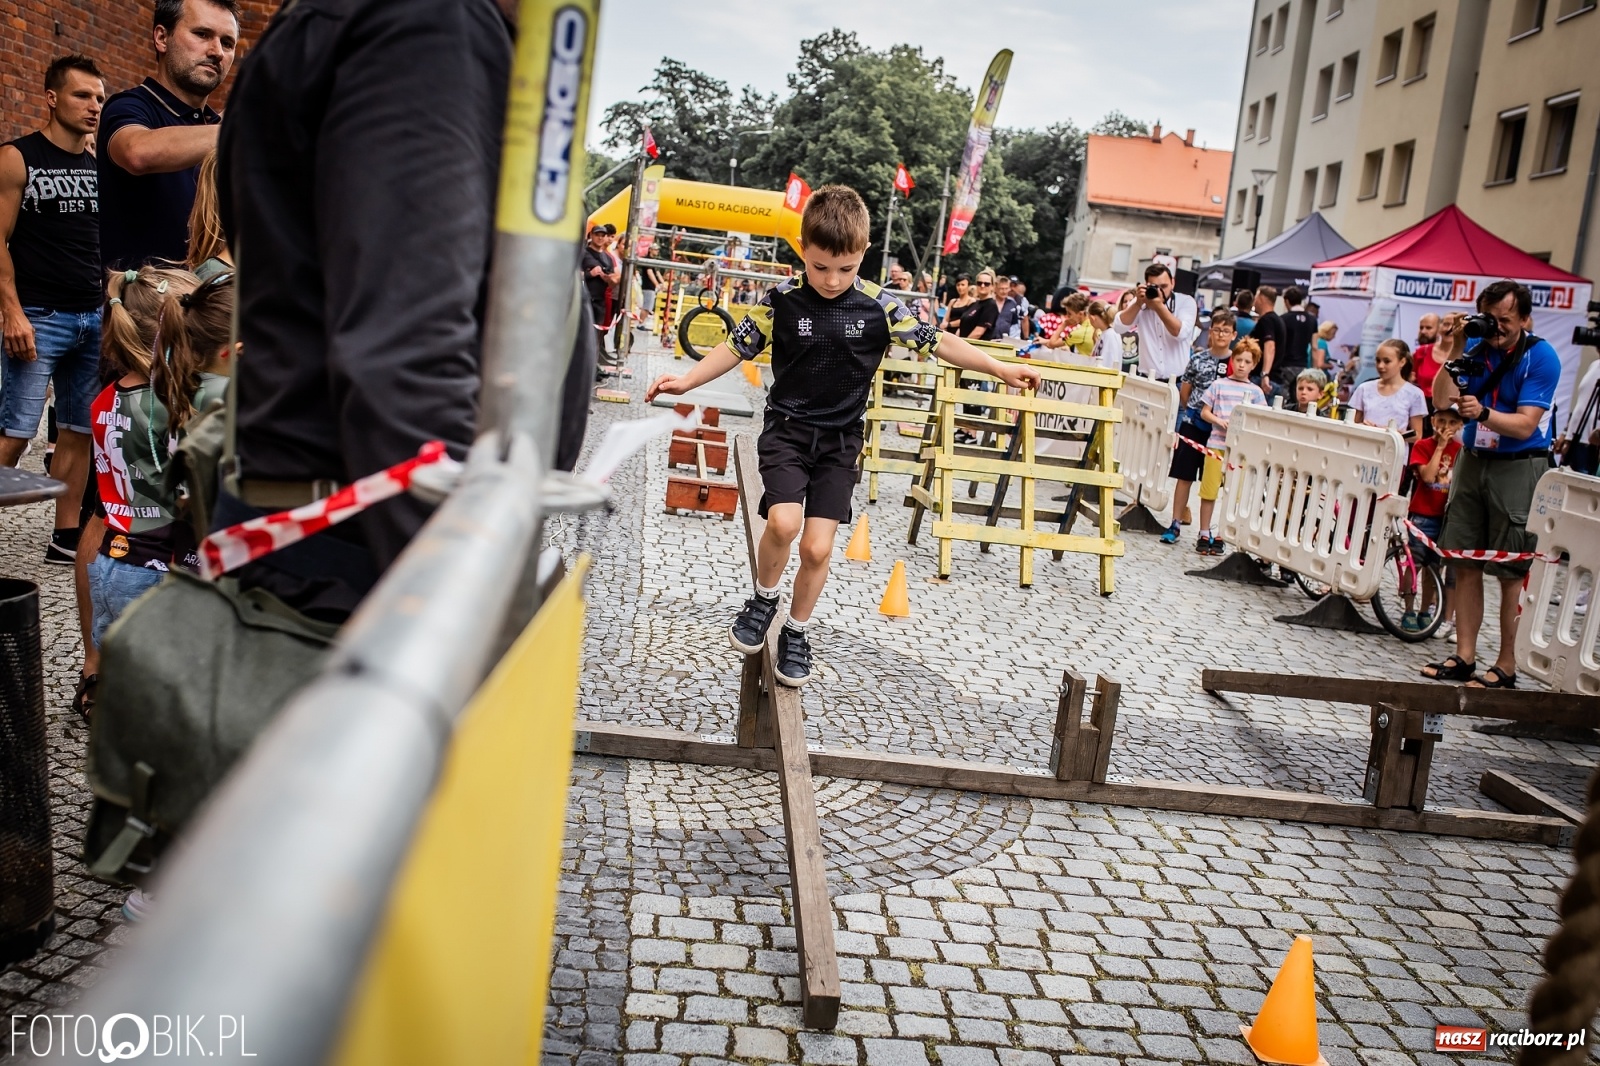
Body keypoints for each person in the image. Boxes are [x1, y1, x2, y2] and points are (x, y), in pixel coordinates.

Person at [643, 186, 1041, 686]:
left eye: (845, 269)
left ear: (863, 255)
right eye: (819, 266)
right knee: (784, 525)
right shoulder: (782, 301)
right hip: (788, 432)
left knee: (815, 548)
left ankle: (798, 630)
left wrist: (1001, 369)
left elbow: (941, 344)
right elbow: (734, 347)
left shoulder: (880, 307)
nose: (831, 280)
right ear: (803, 252)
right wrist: (686, 380)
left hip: (840, 443)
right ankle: (764, 598)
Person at [216, 0, 517, 621]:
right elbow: (405, 362)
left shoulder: (394, 23)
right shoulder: (429, 27)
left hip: (337, 546)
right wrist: (459, 608)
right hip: (356, 568)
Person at [1424, 282, 1563, 688]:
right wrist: (1456, 346)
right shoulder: (1477, 349)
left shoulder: (1541, 356)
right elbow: (1441, 401)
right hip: (1473, 462)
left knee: (1511, 569)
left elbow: (1524, 424)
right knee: (1464, 560)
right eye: (1492, 320)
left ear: (1525, 318)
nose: (1498, 329)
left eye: (1506, 321)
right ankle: (1464, 656)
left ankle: (1506, 664)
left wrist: (1483, 412)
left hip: (1519, 466)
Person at [0, 54, 107, 565]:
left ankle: (65, 537)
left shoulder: (97, 164)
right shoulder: (17, 158)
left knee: (78, 429)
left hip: (93, 315)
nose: (94, 107)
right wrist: (12, 313)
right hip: (39, 317)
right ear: (51, 97)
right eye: (82, 95)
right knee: (15, 433)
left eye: (100, 98)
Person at [98, 0, 238, 272]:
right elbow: (136, 152)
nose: (217, 51)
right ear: (162, 38)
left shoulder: (217, 125)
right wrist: (241, 131)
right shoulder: (130, 106)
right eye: (202, 34)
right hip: (143, 309)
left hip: (213, 305)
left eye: (228, 43)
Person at [1162, 310, 1235, 545]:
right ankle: (1175, 521)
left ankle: (1208, 530)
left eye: (1226, 330)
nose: (1221, 334)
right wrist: (1193, 410)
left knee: (1213, 480)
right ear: (1210, 332)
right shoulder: (1198, 359)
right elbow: (1186, 391)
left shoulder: (1237, 362)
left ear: (1233, 334)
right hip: (1195, 422)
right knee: (1184, 475)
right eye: (1216, 329)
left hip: (1221, 430)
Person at [1194, 337, 1266, 554]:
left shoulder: (1255, 392)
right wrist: (1218, 420)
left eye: (1247, 361)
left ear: (1254, 365)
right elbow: (1204, 411)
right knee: (1209, 491)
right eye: (1239, 360)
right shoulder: (1219, 385)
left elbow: (1261, 418)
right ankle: (1204, 531)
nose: (1242, 365)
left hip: (1239, 453)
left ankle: (1221, 533)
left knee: (1232, 494)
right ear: (1232, 360)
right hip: (1216, 445)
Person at [1403, 404, 1463, 634]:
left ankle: (1425, 610)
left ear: (1459, 426)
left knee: (1434, 568)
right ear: (1433, 421)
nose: (1445, 427)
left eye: (1451, 422)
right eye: (1441, 421)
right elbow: (1428, 477)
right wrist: (1439, 448)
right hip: (1422, 515)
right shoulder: (1423, 446)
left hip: (1444, 518)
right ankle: (1408, 609)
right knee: (1414, 563)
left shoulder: (1460, 451)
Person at [1111, 262, 1197, 381]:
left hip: (1177, 381)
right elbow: (1118, 327)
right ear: (1146, 285)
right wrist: (1137, 304)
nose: (1160, 291)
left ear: (1173, 283)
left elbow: (1180, 333)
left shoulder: (1186, 302)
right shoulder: (1140, 301)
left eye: (1164, 286)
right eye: (1155, 287)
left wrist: (1158, 306)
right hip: (1147, 380)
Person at [1350, 339, 1426, 440]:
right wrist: (1363, 427)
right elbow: (1351, 426)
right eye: (1378, 360)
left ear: (1402, 362)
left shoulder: (1414, 394)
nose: (1381, 366)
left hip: (1394, 453)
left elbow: (1417, 435)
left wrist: (1394, 434)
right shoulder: (1364, 389)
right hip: (1366, 450)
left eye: (1387, 361)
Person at [1266, 284, 1316, 401]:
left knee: (1282, 399)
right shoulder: (1312, 320)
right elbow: (1314, 346)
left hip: (1285, 365)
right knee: (1299, 398)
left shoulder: (1283, 319)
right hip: (1302, 365)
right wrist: (1314, 368)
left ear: (1286, 301)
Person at [1249, 286, 1282, 387]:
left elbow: (1270, 346)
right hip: (1273, 377)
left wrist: (1264, 374)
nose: (1254, 301)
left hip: (1263, 379)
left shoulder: (1267, 320)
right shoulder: (1278, 320)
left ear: (1261, 299)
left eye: (1256, 297)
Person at [1411, 312, 1443, 410]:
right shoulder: (1419, 353)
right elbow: (1411, 378)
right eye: (1421, 327)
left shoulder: (1453, 353)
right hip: (1421, 406)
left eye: (1428, 328)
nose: (1423, 331)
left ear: (1439, 330)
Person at [954, 271, 999, 339]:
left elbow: (978, 333)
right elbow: (961, 325)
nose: (982, 286)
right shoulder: (974, 303)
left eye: (986, 284)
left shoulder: (990, 305)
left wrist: (963, 345)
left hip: (974, 346)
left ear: (992, 286)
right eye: (979, 283)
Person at [992, 275, 1021, 340]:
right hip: (989, 339)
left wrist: (1013, 340)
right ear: (995, 289)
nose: (1004, 292)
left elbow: (1014, 324)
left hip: (1004, 340)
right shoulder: (990, 302)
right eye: (1001, 289)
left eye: (1006, 288)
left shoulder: (1012, 303)